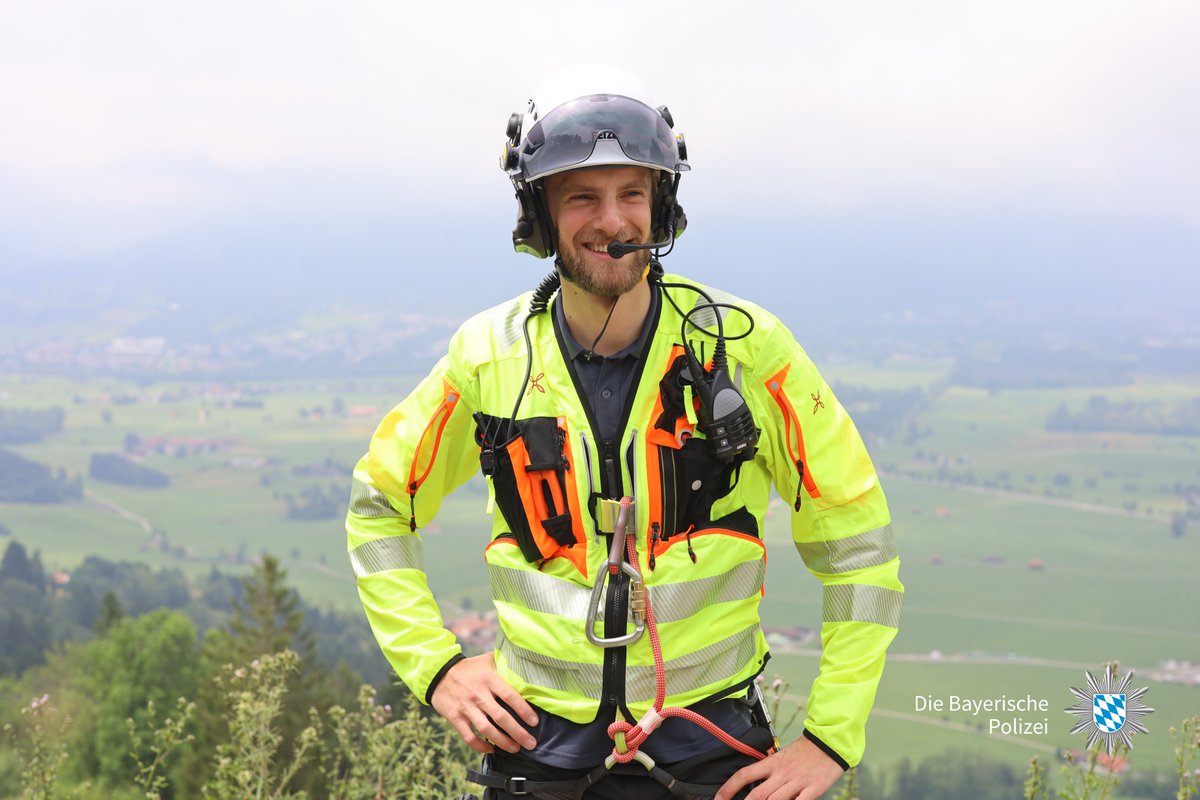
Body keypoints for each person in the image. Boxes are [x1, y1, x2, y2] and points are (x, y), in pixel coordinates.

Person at [346, 65, 903, 800]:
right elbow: (381, 508)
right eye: (582, 197)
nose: (613, 220)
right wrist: (438, 670)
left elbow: (858, 547)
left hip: (716, 755)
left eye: (632, 193)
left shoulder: (747, 349)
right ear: (541, 215)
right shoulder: (487, 356)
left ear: (661, 205)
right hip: (534, 756)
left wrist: (832, 740)